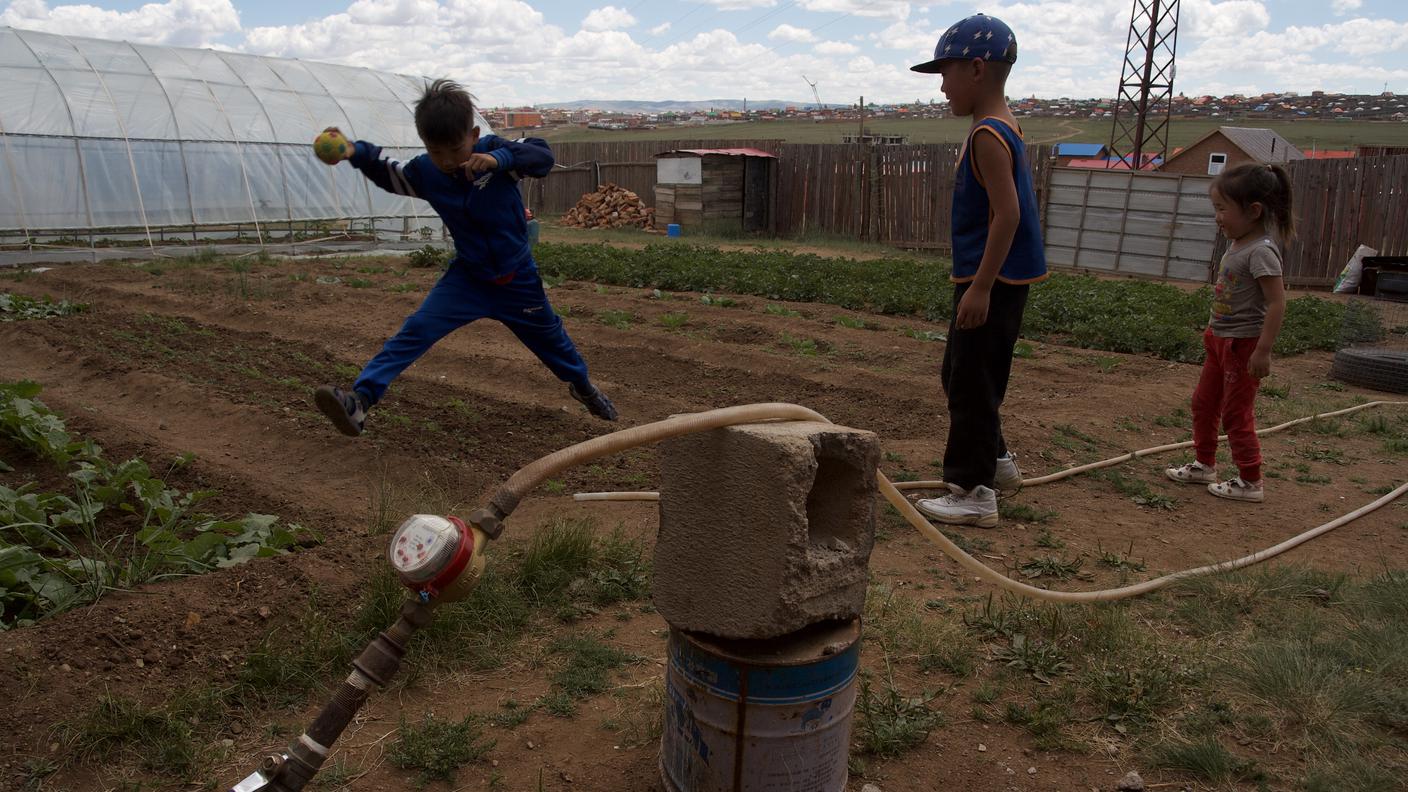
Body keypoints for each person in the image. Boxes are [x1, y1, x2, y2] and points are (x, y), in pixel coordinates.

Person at [312, 79, 616, 437]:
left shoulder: (495, 153)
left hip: (516, 279)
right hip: (468, 279)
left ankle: (582, 386)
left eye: (455, 150)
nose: (446, 161)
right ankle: (360, 401)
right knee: (417, 330)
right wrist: (354, 151)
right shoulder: (426, 172)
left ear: (472, 135)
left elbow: (542, 156)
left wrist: (499, 160)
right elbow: (387, 172)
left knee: (553, 344)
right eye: (435, 151)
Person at [908, 14, 1048, 529]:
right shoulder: (1002, 124)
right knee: (963, 374)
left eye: (944, 74)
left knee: (972, 383)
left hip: (993, 280)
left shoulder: (989, 134)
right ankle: (998, 462)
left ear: (976, 68)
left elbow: (1007, 215)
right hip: (999, 276)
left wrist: (981, 287)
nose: (941, 87)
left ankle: (972, 491)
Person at [1165, 164, 1291, 503]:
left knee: (1236, 413)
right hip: (1219, 340)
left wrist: (1262, 350)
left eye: (1222, 209)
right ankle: (1204, 464)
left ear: (1253, 211)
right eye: (1215, 208)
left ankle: (1251, 481)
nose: (1217, 217)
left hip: (1243, 346)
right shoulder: (1238, 244)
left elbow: (1277, 303)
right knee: (1204, 403)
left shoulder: (1261, 250)